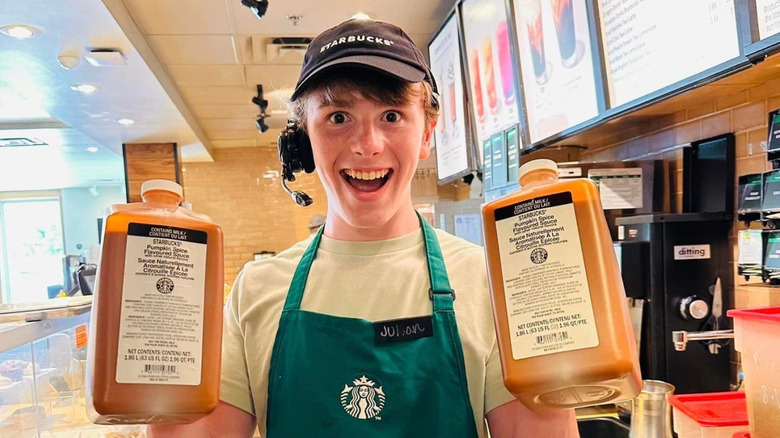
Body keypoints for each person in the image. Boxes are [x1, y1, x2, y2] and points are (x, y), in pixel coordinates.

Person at [150, 18, 578, 438]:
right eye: (338, 118)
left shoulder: (491, 285)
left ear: (427, 132)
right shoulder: (256, 291)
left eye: (391, 116)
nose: (367, 145)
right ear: (304, 142)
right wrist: (155, 355)